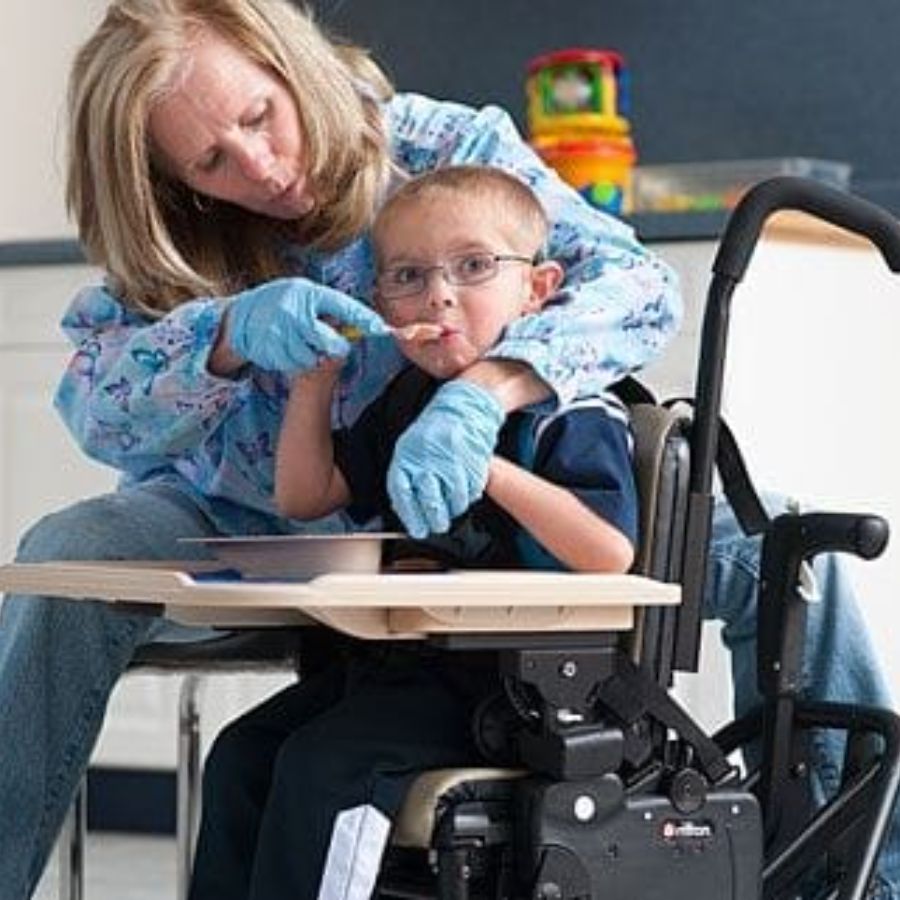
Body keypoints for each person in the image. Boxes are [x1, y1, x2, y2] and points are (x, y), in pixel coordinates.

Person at [0, 0, 892, 897]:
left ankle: (860, 875)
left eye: (259, 118)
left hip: (480, 525)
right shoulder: (174, 233)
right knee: (64, 559)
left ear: (287, 63)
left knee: (782, 544)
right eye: (210, 161)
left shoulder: (436, 146)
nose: (261, 167)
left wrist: (482, 392)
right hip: (247, 523)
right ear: (171, 176)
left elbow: (635, 285)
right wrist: (223, 337)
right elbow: (94, 404)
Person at [186, 164, 641, 900]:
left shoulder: (572, 410)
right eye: (408, 275)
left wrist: (485, 464)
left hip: (507, 687)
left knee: (325, 768)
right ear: (381, 302)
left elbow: (610, 553)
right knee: (241, 755)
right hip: (405, 667)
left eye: (473, 266)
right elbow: (306, 496)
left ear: (538, 288)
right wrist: (317, 381)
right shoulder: (407, 399)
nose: (439, 293)